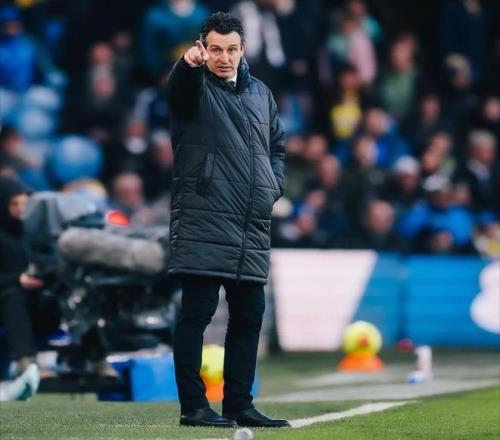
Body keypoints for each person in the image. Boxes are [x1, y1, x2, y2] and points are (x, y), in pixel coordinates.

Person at [165, 12, 289, 428]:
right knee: (196, 315)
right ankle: (193, 407)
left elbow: (277, 147)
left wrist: (273, 186)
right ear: (203, 48)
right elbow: (178, 91)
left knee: (249, 318)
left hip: (251, 223)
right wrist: (187, 66)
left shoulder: (260, 93)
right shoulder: (194, 85)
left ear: (243, 49)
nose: (224, 57)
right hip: (205, 217)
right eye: (215, 49)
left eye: (231, 49)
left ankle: (239, 404)